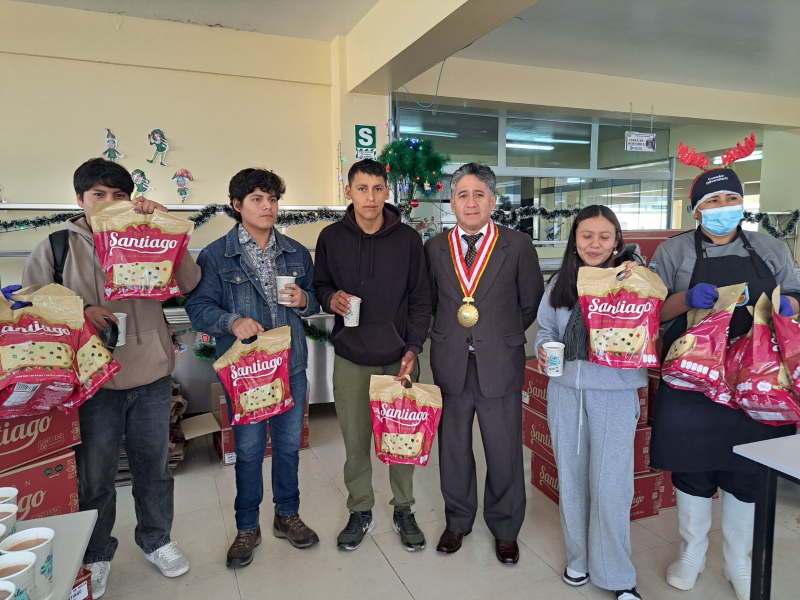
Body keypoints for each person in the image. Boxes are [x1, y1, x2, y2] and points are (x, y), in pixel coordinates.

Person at [21, 158, 200, 598]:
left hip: (151, 372)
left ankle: (157, 540)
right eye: (98, 194)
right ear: (80, 199)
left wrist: (162, 228)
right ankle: (97, 553)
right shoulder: (58, 245)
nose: (108, 203)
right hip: (92, 380)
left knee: (154, 469)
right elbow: (31, 305)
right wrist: (80, 313)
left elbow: (190, 280)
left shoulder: (146, 232)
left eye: (117, 195)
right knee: (95, 476)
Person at [649, 136, 800, 600]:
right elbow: (650, 310)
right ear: (696, 209)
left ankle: (738, 558)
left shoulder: (769, 250)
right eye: (712, 200)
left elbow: (796, 294)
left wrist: (790, 306)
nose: (723, 206)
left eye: (731, 198)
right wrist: (684, 300)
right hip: (692, 379)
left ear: (742, 202)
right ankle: (692, 552)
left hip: (756, 382)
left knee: (748, 471)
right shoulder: (674, 253)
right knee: (692, 469)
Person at [186, 168, 320, 568]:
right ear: (237, 206)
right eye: (258, 199)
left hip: (290, 366)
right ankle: (247, 526)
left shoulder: (296, 251)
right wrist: (232, 322)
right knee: (246, 451)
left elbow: (313, 299)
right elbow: (198, 307)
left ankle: (287, 516)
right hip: (245, 372)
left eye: (273, 199)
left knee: (288, 445)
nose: (267, 207)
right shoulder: (215, 254)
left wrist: (304, 302)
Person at [424, 162, 543, 564]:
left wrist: (498, 336)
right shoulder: (434, 247)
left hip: (500, 362)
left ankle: (506, 527)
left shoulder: (517, 245)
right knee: (454, 450)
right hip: (451, 361)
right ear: (451, 202)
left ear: (493, 200)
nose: (471, 202)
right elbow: (429, 302)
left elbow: (530, 302)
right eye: (462, 194)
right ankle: (457, 522)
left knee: (504, 449)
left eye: (479, 194)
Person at [314, 159, 432, 552]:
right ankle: (361, 508)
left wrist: (413, 347)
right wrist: (331, 298)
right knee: (355, 440)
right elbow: (320, 285)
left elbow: (421, 300)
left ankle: (404, 508)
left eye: (378, 188)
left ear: (387, 192)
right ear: (348, 192)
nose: (370, 197)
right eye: (362, 188)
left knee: (403, 437)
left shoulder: (408, 241)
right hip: (351, 356)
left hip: (399, 357)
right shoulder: (331, 237)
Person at [534, 205, 645, 600]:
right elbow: (546, 327)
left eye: (603, 236)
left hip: (614, 393)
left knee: (612, 486)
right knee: (573, 478)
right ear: (574, 240)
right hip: (566, 393)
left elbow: (647, 327)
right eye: (586, 235)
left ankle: (617, 574)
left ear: (617, 239)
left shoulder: (635, 279)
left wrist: (635, 279)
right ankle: (579, 558)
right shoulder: (560, 283)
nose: (594, 244)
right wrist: (545, 347)